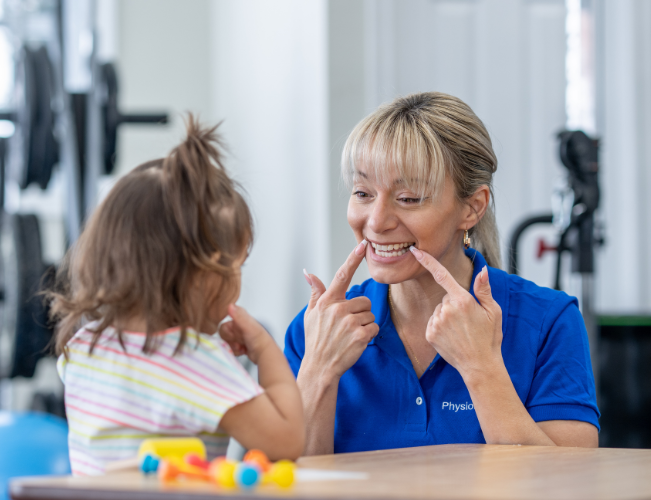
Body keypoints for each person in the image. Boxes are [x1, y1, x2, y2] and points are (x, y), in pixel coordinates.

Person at [285, 92, 600, 455]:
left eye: (408, 198)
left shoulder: (549, 322)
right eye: (362, 193)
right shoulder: (315, 329)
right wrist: (318, 373)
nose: (375, 221)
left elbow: (574, 484)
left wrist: (481, 368)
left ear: (472, 208)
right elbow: (282, 486)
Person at [49, 117, 304, 475]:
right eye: (236, 268)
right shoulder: (196, 358)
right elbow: (288, 441)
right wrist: (264, 349)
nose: (237, 283)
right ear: (202, 275)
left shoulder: (83, 347)